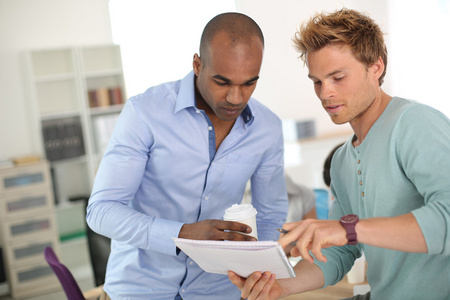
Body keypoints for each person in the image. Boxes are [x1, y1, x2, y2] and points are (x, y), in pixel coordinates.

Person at [229, 8, 450, 300]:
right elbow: (339, 253)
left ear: (376, 67)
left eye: (338, 77)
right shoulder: (343, 161)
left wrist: (349, 230)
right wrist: (279, 286)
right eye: (317, 81)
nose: (324, 93)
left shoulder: (414, 124)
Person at [86, 12, 289, 300]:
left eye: (248, 83)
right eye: (222, 82)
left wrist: (259, 272)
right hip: (139, 289)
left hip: (220, 291)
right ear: (197, 64)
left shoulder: (267, 128)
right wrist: (181, 234)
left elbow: (270, 215)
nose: (236, 98)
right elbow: (102, 211)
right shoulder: (144, 113)